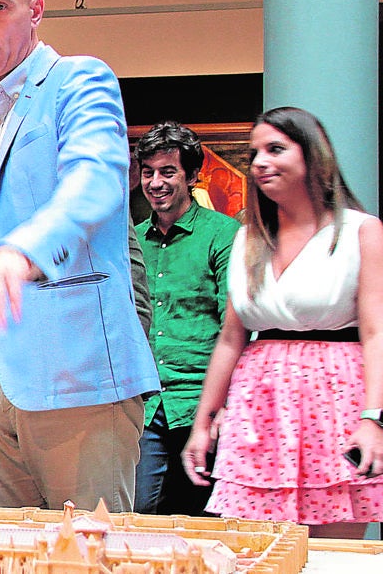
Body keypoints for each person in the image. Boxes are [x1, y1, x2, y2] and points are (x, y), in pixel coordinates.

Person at [0, 0, 160, 511]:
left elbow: (96, 182)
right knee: (0, 554)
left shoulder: (78, 80)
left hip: (76, 368)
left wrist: (23, 252)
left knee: (91, 554)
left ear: (36, 11)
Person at [183, 106, 383, 538]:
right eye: (255, 153)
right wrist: (204, 422)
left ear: (312, 157)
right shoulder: (247, 240)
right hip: (261, 402)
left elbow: (378, 334)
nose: (260, 163)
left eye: (275, 149)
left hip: (339, 397)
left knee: (334, 550)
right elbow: (231, 339)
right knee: (256, 550)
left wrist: (373, 418)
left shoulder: (360, 232)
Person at [132, 121, 240, 516]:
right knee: (137, 517)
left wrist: (225, 403)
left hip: (203, 403)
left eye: (167, 171)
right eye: (148, 172)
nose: (156, 182)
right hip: (144, 405)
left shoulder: (223, 234)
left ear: (193, 176)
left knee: (206, 524)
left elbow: (236, 325)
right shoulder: (133, 240)